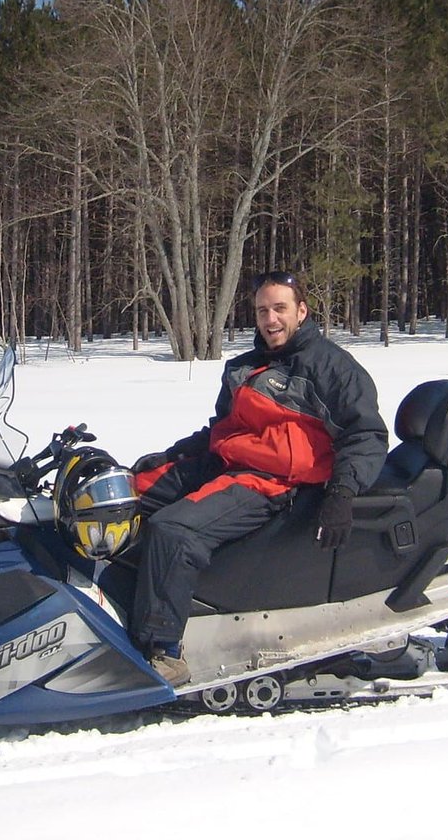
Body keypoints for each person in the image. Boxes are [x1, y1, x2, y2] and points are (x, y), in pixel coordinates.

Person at [129, 271, 388, 686]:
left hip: (272, 481)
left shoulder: (332, 368)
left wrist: (342, 493)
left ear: (301, 311)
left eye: (280, 309)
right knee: (124, 493)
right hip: (227, 461)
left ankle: (162, 651)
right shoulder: (245, 366)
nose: (271, 319)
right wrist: (175, 454)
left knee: (174, 531)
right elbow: (223, 428)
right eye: (263, 310)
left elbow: (365, 435)